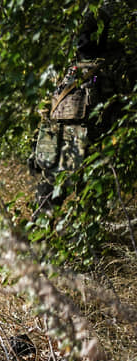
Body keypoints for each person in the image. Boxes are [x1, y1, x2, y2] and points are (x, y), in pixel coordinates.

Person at [28, 7, 131, 211]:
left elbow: (44, 112)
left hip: (59, 144)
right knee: (90, 205)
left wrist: (35, 148)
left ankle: (32, 238)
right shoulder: (109, 69)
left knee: (47, 203)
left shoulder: (65, 72)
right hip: (89, 144)